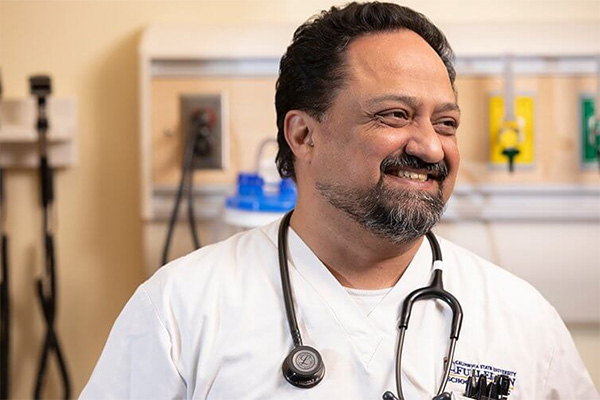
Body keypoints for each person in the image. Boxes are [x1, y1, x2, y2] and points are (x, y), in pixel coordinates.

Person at [80, 2, 598, 399]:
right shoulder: (182, 310)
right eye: (395, 115)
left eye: (447, 123)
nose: (431, 146)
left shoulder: (522, 321)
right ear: (304, 136)